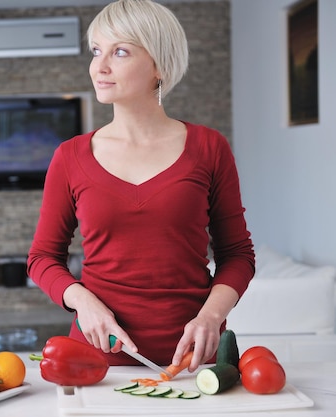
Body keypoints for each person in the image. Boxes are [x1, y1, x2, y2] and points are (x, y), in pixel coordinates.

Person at [27, 0, 255, 372]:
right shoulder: (69, 156)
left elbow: (238, 254)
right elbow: (42, 258)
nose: (99, 67)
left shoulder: (209, 148)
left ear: (160, 66)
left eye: (119, 52)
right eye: (97, 51)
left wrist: (211, 317)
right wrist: (83, 301)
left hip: (194, 364)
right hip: (95, 363)